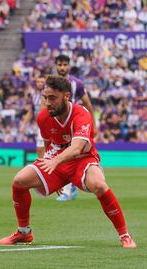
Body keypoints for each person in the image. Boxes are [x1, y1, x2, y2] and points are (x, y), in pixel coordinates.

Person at [0, 75, 136, 249]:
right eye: (45, 97)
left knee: (99, 185)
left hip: (82, 159)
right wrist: (51, 169)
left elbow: (77, 148)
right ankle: (24, 233)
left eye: (52, 98)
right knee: (19, 181)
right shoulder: (43, 118)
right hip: (57, 158)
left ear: (66, 96)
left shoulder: (81, 114)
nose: (47, 103)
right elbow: (49, 144)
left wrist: (54, 162)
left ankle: (125, 236)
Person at [54, 54, 96, 201]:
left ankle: (69, 189)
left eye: (65, 65)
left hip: (73, 123)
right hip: (57, 124)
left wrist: (94, 125)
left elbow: (88, 104)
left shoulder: (76, 83)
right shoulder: (51, 83)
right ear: (56, 66)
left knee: (71, 153)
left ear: (69, 66)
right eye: (60, 65)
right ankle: (70, 186)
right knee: (63, 153)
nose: (62, 67)